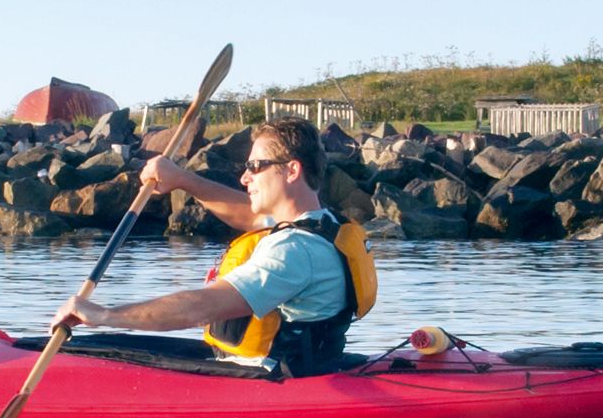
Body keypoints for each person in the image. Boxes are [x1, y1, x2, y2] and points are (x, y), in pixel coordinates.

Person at [53, 119, 374, 373]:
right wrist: (181, 179)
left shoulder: (295, 251)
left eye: (255, 167)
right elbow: (246, 213)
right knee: (108, 347)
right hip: (304, 363)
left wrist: (104, 315)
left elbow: (203, 307)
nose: (245, 178)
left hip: (274, 375)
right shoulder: (325, 223)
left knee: (112, 343)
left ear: (292, 170)